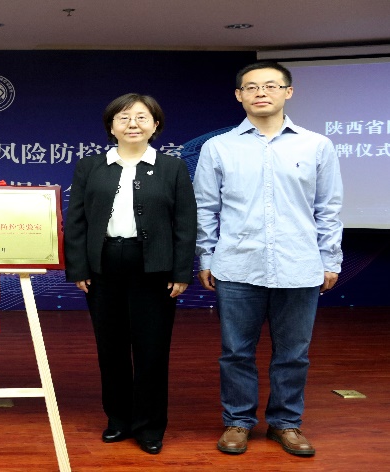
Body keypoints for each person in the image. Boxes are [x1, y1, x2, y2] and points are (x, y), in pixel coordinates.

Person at [194, 61, 343, 457]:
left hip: (299, 265)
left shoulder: (317, 145)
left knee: (293, 354)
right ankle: (238, 422)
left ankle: (285, 423)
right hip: (236, 265)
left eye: (271, 85)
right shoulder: (218, 148)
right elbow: (205, 208)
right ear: (239, 95)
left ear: (288, 92)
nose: (261, 92)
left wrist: (330, 259)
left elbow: (328, 207)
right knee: (235, 352)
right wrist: (206, 257)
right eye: (252, 86)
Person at [64, 93, 197, 455]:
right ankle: (118, 420)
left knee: (152, 349)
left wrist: (181, 271)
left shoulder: (172, 167)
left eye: (141, 117)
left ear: (155, 125)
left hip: (154, 267)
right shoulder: (91, 166)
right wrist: (79, 267)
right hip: (103, 267)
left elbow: (185, 222)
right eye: (123, 118)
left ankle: (150, 426)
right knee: (111, 349)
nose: (132, 124)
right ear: (111, 127)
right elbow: (76, 221)